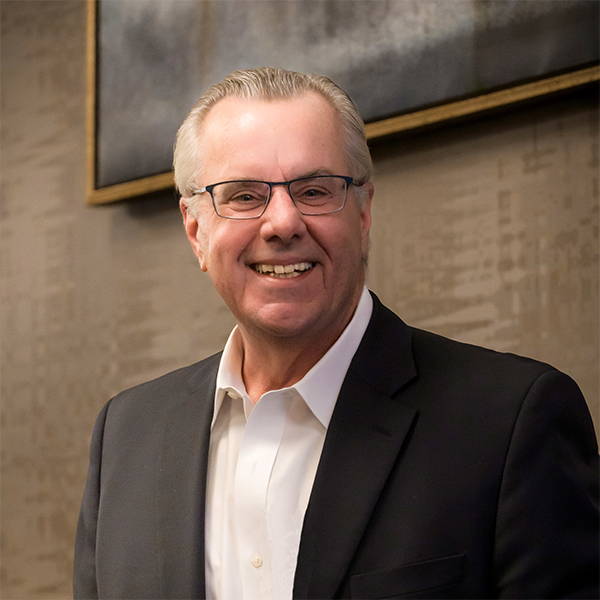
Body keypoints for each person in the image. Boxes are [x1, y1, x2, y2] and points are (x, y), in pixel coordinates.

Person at [74, 67, 600, 600]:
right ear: (196, 231)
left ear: (364, 212)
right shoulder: (125, 437)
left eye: (314, 190)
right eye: (242, 196)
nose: (282, 222)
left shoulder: (511, 422)